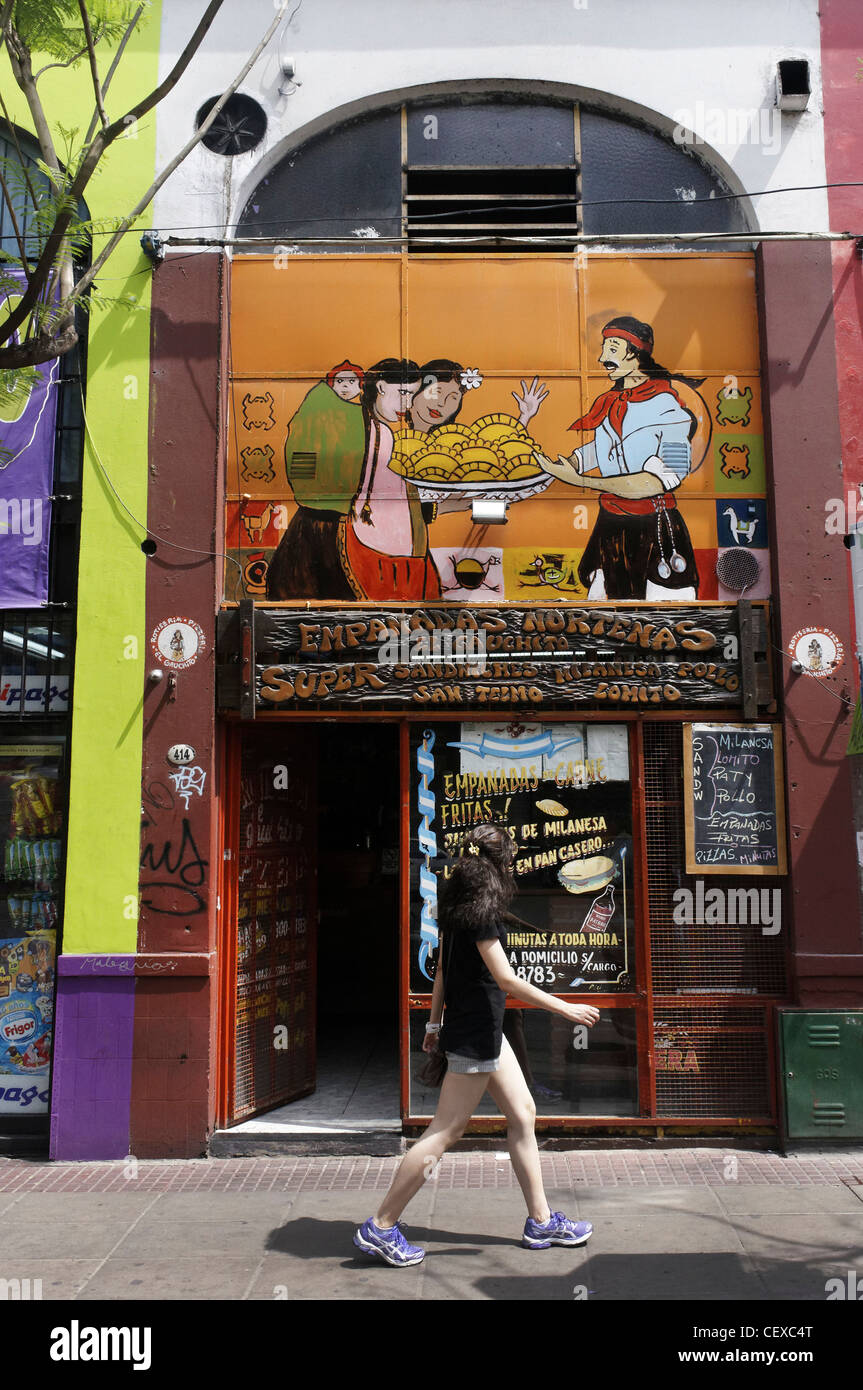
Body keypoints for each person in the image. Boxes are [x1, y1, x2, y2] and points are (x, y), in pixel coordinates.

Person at [353, 823, 600, 1267]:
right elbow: (506, 980)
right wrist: (565, 1008)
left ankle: (540, 1221)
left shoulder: (457, 907)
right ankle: (381, 1226)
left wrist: (432, 1025)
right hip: (476, 1035)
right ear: (498, 865)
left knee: (523, 1114)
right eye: (510, 860)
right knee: (445, 1132)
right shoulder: (482, 914)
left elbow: (444, 972)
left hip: (483, 1031)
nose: (512, 868)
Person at [538, 315, 704, 600]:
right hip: (611, 525)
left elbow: (659, 481)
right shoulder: (611, 402)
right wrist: (567, 464)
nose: (602, 358)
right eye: (604, 348)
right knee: (605, 618)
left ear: (636, 352)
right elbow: (603, 448)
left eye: (612, 348)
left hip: (655, 529)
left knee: (663, 619)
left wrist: (580, 480)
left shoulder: (669, 411)